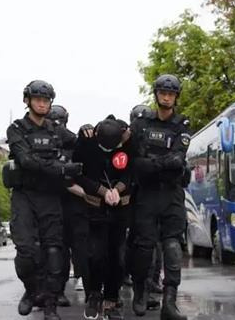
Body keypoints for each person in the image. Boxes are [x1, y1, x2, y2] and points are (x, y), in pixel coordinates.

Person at [4, 80, 80, 320]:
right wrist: (60, 168)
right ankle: (30, 290)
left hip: (50, 197)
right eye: (37, 99)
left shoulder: (55, 129)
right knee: (26, 251)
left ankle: (50, 305)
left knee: (54, 251)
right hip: (24, 196)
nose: (41, 103)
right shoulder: (17, 128)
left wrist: (94, 131)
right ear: (27, 101)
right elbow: (27, 161)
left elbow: (80, 143)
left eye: (46, 100)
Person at [129, 74, 191, 320]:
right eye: (163, 93)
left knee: (173, 246)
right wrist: (156, 164)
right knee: (144, 247)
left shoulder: (181, 124)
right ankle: (140, 292)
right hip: (146, 194)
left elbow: (178, 159)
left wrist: (150, 163)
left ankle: (170, 302)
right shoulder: (142, 123)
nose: (167, 97)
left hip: (171, 193)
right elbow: (133, 160)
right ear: (156, 95)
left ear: (176, 97)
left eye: (171, 94)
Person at [71, 116, 132, 320]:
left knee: (118, 257)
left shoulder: (127, 141)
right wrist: (102, 190)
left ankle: (112, 300)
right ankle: (94, 294)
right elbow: (77, 174)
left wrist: (118, 189)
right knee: (96, 255)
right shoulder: (86, 142)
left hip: (119, 208)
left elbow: (132, 173)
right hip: (95, 208)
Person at [46, 104, 88, 307]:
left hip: (77, 205)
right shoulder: (47, 144)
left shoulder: (75, 143)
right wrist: (67, 183)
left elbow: (87, 170)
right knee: (58, 249)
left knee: (80, 247)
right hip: (55, 202)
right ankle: (58, 290)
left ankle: (86, 283)